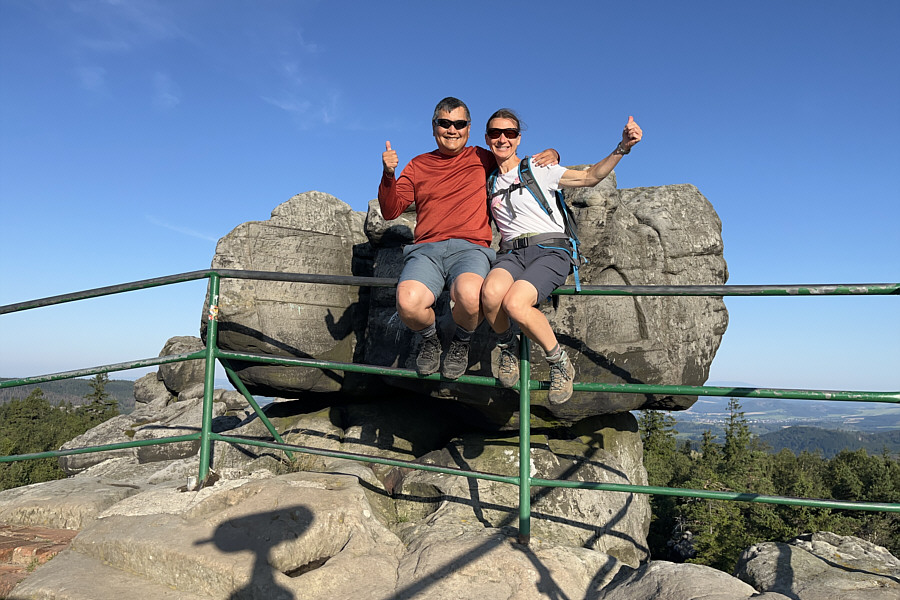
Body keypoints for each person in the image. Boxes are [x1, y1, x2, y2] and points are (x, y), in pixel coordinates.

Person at [378, 97, 558, 380]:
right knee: (408, 303)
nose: (452, 130)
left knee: (472, 296)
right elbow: (391, 210)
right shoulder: (418, 165)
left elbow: (515, 160)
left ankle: (461, 342)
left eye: (459, 124)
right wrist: (389, 175)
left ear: (469, 128)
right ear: (434, 127)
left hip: (471, 249)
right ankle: (430, 340)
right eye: (445, 123)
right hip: (426, 250)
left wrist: (552, 153)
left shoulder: (481, 157)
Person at [480, 109, 643, 404]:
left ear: (518, 139)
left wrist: (622, 148)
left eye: (510, 133)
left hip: (550, 251)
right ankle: (508, 349)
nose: (502, 139)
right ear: (487, 138)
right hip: (511, 254)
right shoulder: (489, 180)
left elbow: (590, 177)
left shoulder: (538, 167)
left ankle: (559, 363)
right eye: (495, 133)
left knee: (515, 304)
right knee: (490, 295)